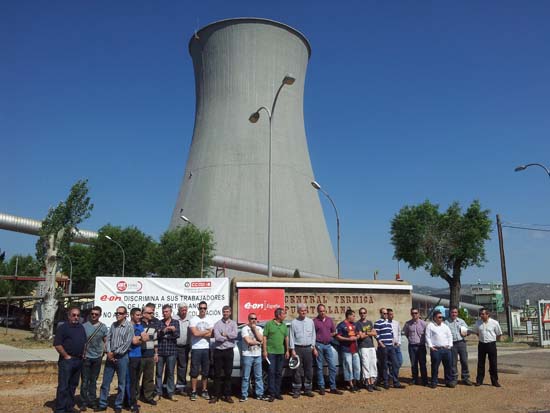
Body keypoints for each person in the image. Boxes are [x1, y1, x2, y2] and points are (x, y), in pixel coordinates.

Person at [96, 306, 134, 413]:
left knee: (121, 383)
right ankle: (102, 403)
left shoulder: (129, 327)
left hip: (122, 358)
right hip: (110, 357)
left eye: (120, 313)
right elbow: (108, 339)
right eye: (116, 313)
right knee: (105, 382)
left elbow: (126, 344)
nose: (118, 315)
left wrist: (114, 353)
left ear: (125, 314)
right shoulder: (113, 325)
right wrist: (108, 352)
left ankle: (118, 405)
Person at [53, 306, 87, 413]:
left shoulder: (81, 327)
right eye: (74, 315)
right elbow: (57, 344)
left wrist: (84, 353)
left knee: (73, 385)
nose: (76, 317)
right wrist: (66, 356)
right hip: (67, 361)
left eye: (78, 315)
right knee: (63, 386)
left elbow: (84, 342)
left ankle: (69, 407)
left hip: (78, 360)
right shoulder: (63, 328)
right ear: (69, 316)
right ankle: (60, 409)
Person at [80, 306, 108, 411]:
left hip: (97, 358)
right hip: (86, 357)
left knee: (93, 381)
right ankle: (83, 402)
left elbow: (105, 341)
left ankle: (92, 401)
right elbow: (81, 341)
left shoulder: (103, 327)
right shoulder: (84, 326)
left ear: (100, 315)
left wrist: (103, 352)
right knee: (84, 381)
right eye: (92, 314)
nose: (94, 316)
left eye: (96, 314)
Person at [211, 305, 238, 404]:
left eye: (227, 311)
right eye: (224, 312)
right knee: (217, 375)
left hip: (229, 351)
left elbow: (235, 335)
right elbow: (217, 337)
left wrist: (225, 334)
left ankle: (227, 395)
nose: (225, 313)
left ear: (230, 312)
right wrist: (228, 337)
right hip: (218, 351)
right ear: (222, 313)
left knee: (228, 374)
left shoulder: (234, 324)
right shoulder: (217, 324)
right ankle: (216, 395)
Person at [289, 303, 317, 398]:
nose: (303, 312)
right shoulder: (294, 322)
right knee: (296, 370)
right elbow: (291, 337)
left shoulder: (310, 322)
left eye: (305, 310)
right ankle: (296, 390)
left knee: (308, 369)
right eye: (301, 310)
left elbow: (313, 334)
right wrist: (292, 350)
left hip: (308, 348)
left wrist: (313, 346)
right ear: (298, 311)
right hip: (297, 348)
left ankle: (308, 389)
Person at [313, 304, 342, 395]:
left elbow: (333, 332)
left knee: (332, 366)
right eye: (320, 311)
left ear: (326, 311)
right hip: (319, 345)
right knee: (319, 367)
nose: (322, 313)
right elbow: (312, 334)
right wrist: (314, 347)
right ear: (318, 311)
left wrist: (329, 335)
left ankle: (333, 387)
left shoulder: (329, 320)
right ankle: (321, 387)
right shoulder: (314, 321)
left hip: (328, 345)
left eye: (324, 311)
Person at [263, 307, 289, 402]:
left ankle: (278, 392)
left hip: (281, 353)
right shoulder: (269, 324)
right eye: (284, 314)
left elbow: (286, 338)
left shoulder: (284, 325)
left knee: (278, 373)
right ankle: (271, 393)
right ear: (278, 315)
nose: (285, 315)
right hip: (271, 353)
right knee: (271, 372)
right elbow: (264, 337)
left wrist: (287, 351)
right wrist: (265, 351)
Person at [471, 308, 502, 387]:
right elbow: (477, 332)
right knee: (481, 363)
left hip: (491, 344)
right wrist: (481, 338)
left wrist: (495, 341)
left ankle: (494, 381)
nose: (481, 315)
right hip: (482, 344)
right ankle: (479, 381)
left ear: (488, 314)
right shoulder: (478, 323)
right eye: (480, 314)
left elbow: (499, 334)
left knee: (493, 363)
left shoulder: (494, 323)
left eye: (482, 314)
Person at [374, 307, 404, 389]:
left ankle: (396, 382)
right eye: (384, 313)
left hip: (391, 346)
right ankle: (386, 382)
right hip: (383, 347)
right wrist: (380, 343)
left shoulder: (388, 323)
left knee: (395, 364)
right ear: (381, 314)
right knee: (384, 365)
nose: (386, 314)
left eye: (386, 313)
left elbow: (391, 334)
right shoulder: (377, 323)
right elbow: (376, 334)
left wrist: (393, 341)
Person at [189, 301, 213, 401]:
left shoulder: (210, 320)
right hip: (196, 348)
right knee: (194, 371)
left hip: (206, 348)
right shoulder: (193, 319)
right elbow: (194, 333)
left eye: (204, 308)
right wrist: (206, 331)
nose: (202, 310)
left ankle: (204, 390)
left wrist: (200, 333)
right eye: (201, 308)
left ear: (206, 309)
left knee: (205, 371)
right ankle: (193, 391)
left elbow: (211, 334)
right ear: (198, 309)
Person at [155, 304, 180, 401]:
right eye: (163, 312)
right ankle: (158, 393)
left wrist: (171, 332)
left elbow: (177, 335)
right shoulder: (159, 322)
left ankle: (170, 393)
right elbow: (157, 335)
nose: (164, 313)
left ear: (171, 312)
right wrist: (165, 330)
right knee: (158, 373)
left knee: (170, 373)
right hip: (160, 352)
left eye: (167, 312)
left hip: (171, 351)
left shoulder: (176, 322)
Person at [240, 312, 265, 402]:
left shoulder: (259, 328)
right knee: (246, 377)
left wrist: (254, 329)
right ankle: (244, 394)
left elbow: (261, 338)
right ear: (248, 319)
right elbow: (248, 341)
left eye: (255, 318)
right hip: (247, 355)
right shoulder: (244, 329)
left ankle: (259, 394)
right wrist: (258, 342)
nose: (253, 320)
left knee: (258, 376)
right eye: (251, 318)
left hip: (257, 355)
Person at [425, 310, 453, 389]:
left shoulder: (445, 326)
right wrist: (431, 346)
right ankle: (434, 382)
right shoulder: (430, 326)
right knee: (435, 367)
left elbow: (449, 336)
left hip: (446, 350)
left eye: (442, 317)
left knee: (448, 367)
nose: (441, 318)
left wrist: (450, 345)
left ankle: (448, 381)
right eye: (439, 317)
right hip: (436, 350)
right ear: (434, 318)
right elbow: (427, 337)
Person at [445, 306, 473, 386]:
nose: (454, 314)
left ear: (457, 313)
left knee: (464, 361)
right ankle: (454, 379)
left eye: (455, 312)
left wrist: (467, 333)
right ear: (450, 313)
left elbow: (467, 331)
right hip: (452, 344)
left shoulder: (461, 321)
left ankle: (465, 378)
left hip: (461, 343)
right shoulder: (446, 322)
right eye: (452, 312)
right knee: (453, 362)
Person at [126, 308, 146, 413]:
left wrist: (140, 339)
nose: (140, 317)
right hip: (130, 356)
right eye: (137, 315)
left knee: (135, 381)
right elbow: (133, 341)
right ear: (132, 315)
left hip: (138, 356)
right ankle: (131, 403)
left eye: (140, 315)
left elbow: (146, 338)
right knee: (130, 381)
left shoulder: (140, 326)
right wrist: (140, 338)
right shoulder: (128, 326)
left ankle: (131, 401)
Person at [336, 309, 361, 392]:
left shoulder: (355, 324)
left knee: (357, 366)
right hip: (346, 349)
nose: (354, 317)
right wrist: (348, 339)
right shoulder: (341, 325)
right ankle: (350, 384)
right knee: (348, 367)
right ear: (349, 316)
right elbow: (338, 337)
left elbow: (358, 334)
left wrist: (356, 337)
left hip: (355, 349)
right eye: (353, 316)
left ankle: (356, 382)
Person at [403, 307, 428, 386]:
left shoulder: (423, 324)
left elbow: (427, 335)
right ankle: (415, 379)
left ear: (418, 314)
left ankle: (424, 380)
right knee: (413, 364)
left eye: (416, 313)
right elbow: (406, 334)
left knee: (422, 364)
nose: (414, 314)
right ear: (411, 314)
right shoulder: (407, 324)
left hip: (421, 346)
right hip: (412, 346)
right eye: (413, 313)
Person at [356, 307, 379, 392]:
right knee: (366, 365)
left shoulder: (369, 322)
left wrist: (365, 332)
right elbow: (360, 336)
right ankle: (368, 383)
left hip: (371, 346)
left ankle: (373, 383)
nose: (363, 314)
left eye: (364, 312)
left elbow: (375, 333)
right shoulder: (357, 324)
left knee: (373, 363)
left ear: (366, 313)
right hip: (363, 347)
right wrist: (369, 333)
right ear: (359, 314)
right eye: (361, 313)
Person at [139, 303, 158, 406]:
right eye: (150, 313)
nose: (152, 314)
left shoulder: (153, 325)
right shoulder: (138, 325)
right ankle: (135, 396)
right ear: (144, 313)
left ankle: (148, 396)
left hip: (150, 355)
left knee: (149, 378)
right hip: (139, 355)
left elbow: (155, 340)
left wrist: (156, 353)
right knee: (136, 377)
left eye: (153, 312)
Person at [174, 303, 190, 396]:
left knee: (182, 367)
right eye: (182, 310)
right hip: (173, 346)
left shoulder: (190, 318)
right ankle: (169, 387)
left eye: (185, 310)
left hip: (185, 346)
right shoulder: (174, 318)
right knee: (170, 367)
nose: (184, 312)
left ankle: (181, 387)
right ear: (179, 310)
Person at [387, 308, 403, 375]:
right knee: (391, 362)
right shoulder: (385, 323)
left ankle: (392, 374)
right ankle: (393, 376)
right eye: (390, 314)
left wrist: (399, 342)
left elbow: (399, 333)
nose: (392, 315)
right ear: (387, 315)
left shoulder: (396, 323)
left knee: (400, 361)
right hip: (390, 346)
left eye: (392, 314)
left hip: (397, 346)